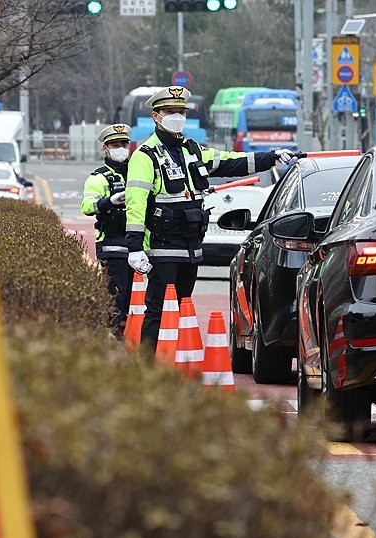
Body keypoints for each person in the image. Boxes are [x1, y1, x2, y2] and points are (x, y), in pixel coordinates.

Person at [124, 86, 294, 352]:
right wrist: (134, 246)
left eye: (181, 111)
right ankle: (147, 367)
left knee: (181, 308)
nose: (177, 116)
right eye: (170, 112)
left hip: (190, 246)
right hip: (162, 246)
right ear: (156, 116)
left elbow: (229, 162)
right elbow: (135, 202)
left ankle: (174, 362)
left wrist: (269, 158)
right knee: (157, 309)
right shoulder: (145, 155)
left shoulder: (190, 149)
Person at [81, 124, 134, 335]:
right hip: (113, 248)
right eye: (115, 145)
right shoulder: (98, 178)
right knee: (117, 298)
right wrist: (108, 202)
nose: (121, 148)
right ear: (106, 148)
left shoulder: (139, 173)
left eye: (124, 144)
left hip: (139, 246)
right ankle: (114, 336)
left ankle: (133, 335)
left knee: (136, 298)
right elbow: (87, 207)